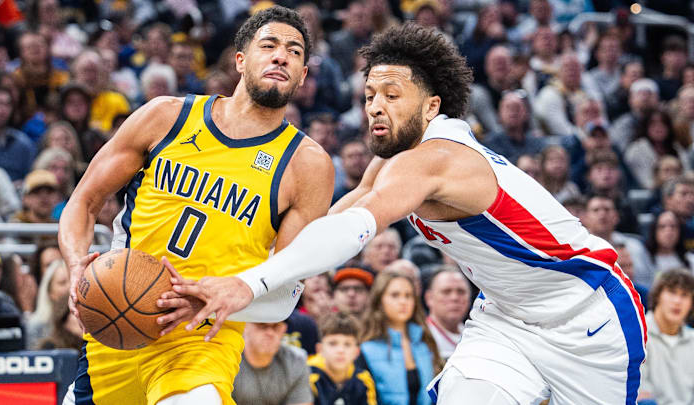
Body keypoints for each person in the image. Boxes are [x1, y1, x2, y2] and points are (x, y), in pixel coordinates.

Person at [161, 24, 647, 405]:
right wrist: (231, 274)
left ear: (432, 105)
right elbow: (328, 225)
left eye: (392, 96)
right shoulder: (391, 161)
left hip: (588, 314)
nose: (375, 107)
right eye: (370, 95)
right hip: (507, 317)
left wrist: (247, 285)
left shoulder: (437, 159)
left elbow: (356, 227)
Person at [59, 6, 334, 405]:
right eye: (269, 45)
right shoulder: (166, 117)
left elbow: (286, 289)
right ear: (240, 60)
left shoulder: (307, 164)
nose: (281, 56)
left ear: (304, 74)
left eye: (294, 52)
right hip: (119, 326)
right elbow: (83, 202)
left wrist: (209, 297)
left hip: (203, 339)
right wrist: (74, 265)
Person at [358, 272, 441, 405]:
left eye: (408, 296)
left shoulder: (425, 342)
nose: (403, 302)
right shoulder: (367, 349)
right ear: (380, 300)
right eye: (395, 295)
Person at [638, 269, 694, 405]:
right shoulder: (638, 335)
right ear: (657, 295)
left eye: (684, 295)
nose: (677, 301)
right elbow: (640, 396)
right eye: (672, 292)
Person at [233, 321, 314, 405]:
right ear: (245, 326)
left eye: (276, 326)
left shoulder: (296, 361)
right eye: (262, 325)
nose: (270, 333)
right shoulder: (229, 358)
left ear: (284, 329)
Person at [308, 312, 377, 405]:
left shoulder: (364, 379)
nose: (340, 350)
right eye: (333, 343)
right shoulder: (307, 375)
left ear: (356, 352)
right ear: (319, 349)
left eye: (347, 344)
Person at [423, 264, 471, 359]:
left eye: (461, 291)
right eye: (446, 291)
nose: (455, 298)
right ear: (429, 298)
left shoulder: (475, 335)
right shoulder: (419, 337)